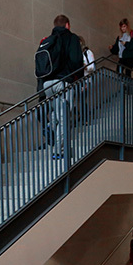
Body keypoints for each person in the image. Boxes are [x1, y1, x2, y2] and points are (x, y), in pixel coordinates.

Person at [37, 14, 82, 160]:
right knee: (64, 118)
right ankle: (60, 151)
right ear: (67, 25)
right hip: (63, 82)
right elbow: (76, 60)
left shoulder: (47, 40)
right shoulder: (72, 38)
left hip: (47, 84)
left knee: (56, 115)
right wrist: (79, 80)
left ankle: (51, 129)